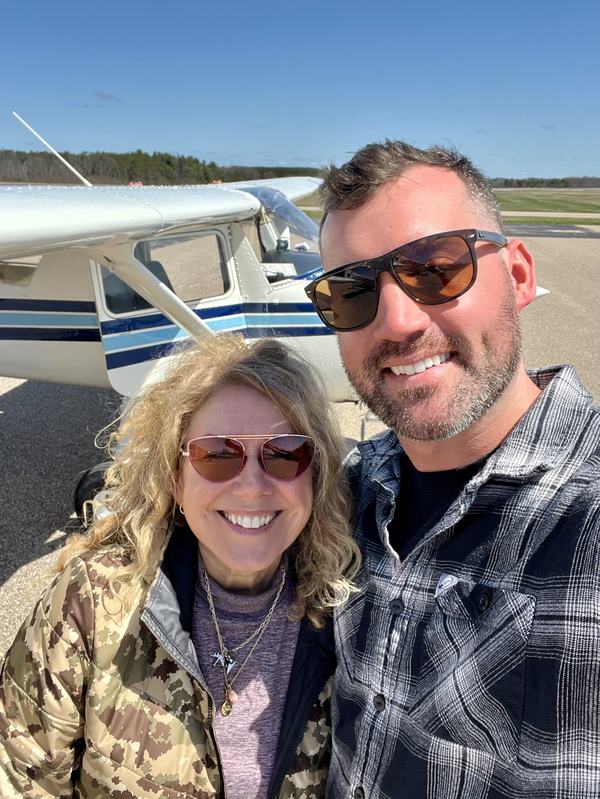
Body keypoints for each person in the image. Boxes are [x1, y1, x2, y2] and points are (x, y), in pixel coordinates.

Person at [304, 140, 600, 798]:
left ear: (519, 276)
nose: (399, 322)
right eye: (351, 292)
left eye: (436, 268)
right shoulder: (348, 489)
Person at [0, 335, 360, 798]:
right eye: (217, 455)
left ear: (315, 474)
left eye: (285, 453)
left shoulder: (346, 614)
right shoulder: (94, 600)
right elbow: (18, 777)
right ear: (175, 477)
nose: (253, 487)